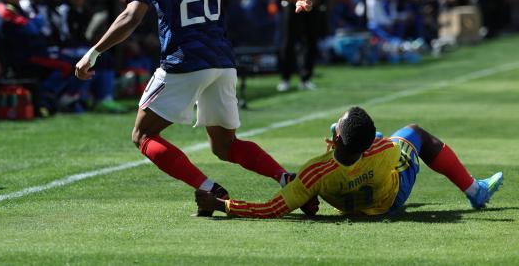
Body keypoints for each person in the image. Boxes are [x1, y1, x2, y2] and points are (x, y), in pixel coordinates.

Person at [75, 0, 313, 215]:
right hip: (222, 62)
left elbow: (130, 18)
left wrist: (93, 53)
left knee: (142, 135)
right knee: (225, 145)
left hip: (184, 61)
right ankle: (288, 179)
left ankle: (207, 188)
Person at [195, 106, 503, 218]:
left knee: (348, 159)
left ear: (338, 140)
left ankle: (477, 192)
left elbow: (271, 209)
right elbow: (385, 142)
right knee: (415, 132)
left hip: (346, 199)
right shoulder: (383, 150)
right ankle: (475, 191)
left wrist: (222, 205)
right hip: (391, 195)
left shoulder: (314, 173)